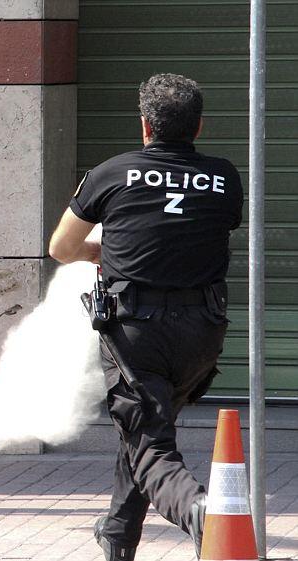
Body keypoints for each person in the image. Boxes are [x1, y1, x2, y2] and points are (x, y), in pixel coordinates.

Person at [49, 74, 243, 561]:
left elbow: (61, 248)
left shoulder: (111, 173)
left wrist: (102, 252)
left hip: (137, 331)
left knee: (151, 443)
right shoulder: (224, 176)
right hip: (202, 330)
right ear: (198, 127)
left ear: (144, 126)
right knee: (145, 427)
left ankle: (201, 512)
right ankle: (118, 535)